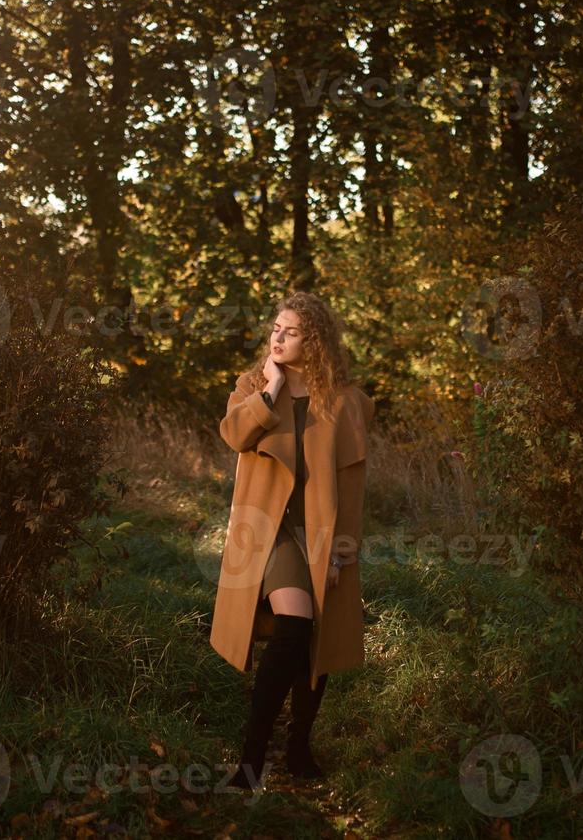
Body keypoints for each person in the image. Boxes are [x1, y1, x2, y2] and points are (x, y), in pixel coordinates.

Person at [212, 291, 374, 793]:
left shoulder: (345, 400)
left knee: (315, 637)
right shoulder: (252, 386)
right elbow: (233, 435)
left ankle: (299, 746)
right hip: (269, 530)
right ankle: (251, 760)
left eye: (291, 332)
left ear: (316, 340)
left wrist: (341, 550)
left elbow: (350, 486)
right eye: (276, 329)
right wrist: (271, 388)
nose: (277, 338)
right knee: (295, 623)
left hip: (319, 530)